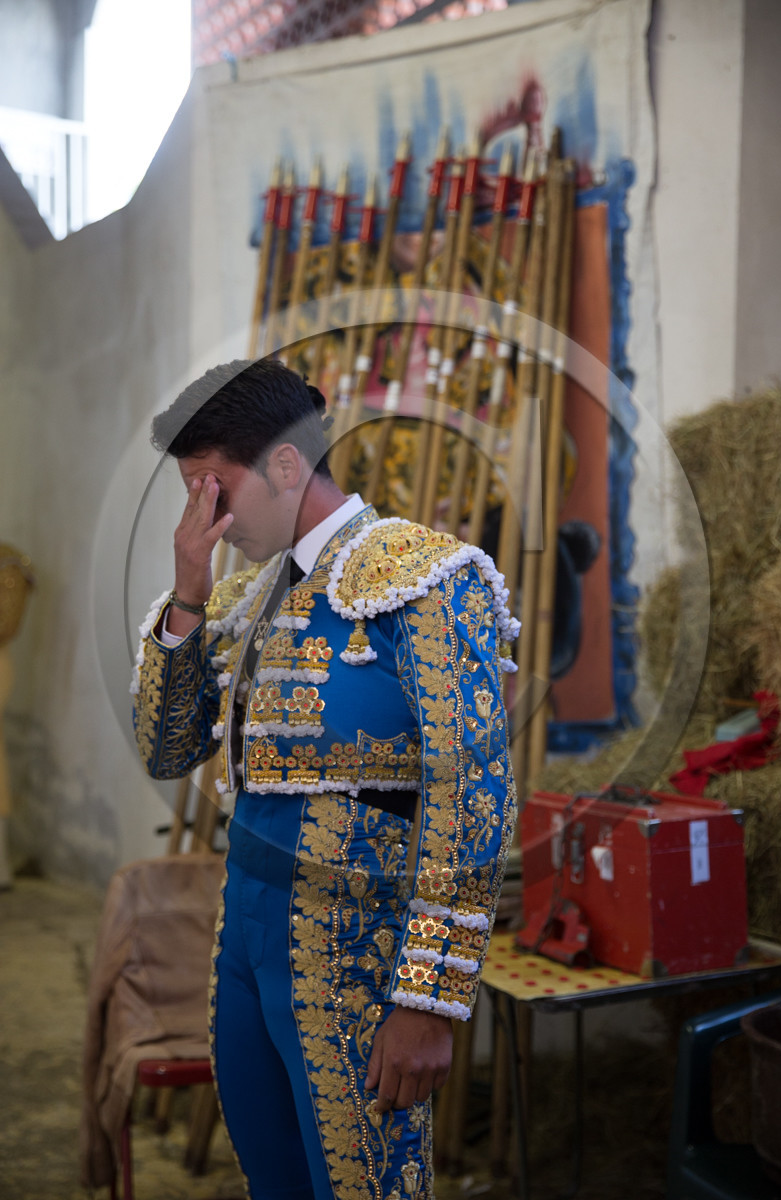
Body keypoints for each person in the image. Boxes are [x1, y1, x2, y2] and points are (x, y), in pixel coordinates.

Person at [132, 358, 519, 1200]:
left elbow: (474, 799)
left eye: (215, 489)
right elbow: (167, 751)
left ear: (281, 465)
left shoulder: (426, 577)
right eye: (195, 493)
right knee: (275, 1179)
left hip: (360, 953)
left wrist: (431, 996)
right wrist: (188, 590)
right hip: (246, 941)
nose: (208, 518)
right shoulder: (244, 596)